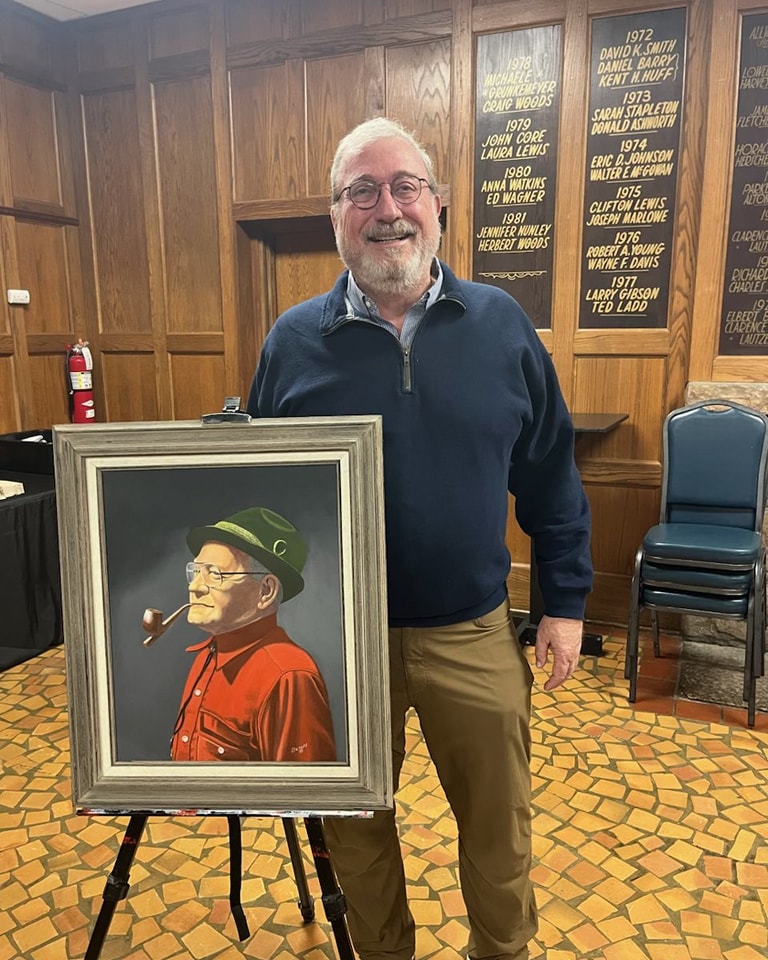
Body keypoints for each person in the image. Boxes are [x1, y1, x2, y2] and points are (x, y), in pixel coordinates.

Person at [247, 118, 592, 960]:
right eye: (361, 191)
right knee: (356, 833)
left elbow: (548, 468)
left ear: (438, 206)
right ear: (336, 218)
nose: (386, 208)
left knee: (499, 829)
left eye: (404, 187)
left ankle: (500, 952)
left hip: (472, 629)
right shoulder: (292, 342)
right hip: (339, 642)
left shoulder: (500, 325)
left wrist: (566, 602)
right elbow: (255, 494)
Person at [170, 506, 337, 763]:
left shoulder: (289, 676)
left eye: (214, 574)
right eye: (195, 571)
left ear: (266, 591)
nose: (194, 586)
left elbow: (302, 794)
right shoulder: (207, 655)